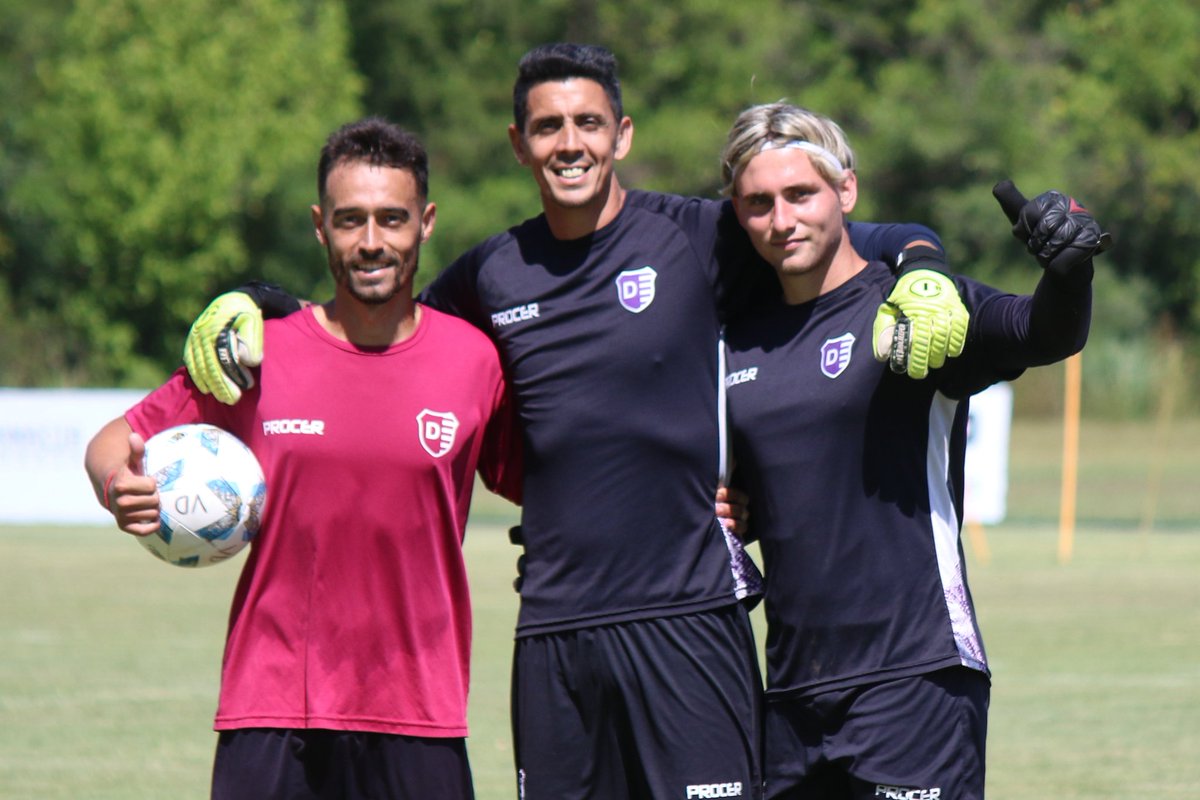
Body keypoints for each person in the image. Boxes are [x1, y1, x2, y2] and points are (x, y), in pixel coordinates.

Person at [180, 44, 971, 800]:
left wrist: (923, 261)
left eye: (588, 123)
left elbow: (832, 229)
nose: (570, 143)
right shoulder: (493, 273)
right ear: (519, 144)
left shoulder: (696, 236)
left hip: (689, 622)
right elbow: (380, 302)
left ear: (621, 135)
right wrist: (257, 296)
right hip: (556, 633)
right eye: (548, 127)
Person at [84, 118, 521, 800]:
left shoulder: (474, 361)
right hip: (272, 706)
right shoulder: (259, 355)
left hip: (419, 711)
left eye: (391, 219)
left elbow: (546, 475)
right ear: (321, 226)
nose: (371, 242)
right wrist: (119, 486)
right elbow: (112, 440)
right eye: (350, 221)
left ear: (426, 222)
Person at [719, 102, 1105, 799]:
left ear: (846, 191)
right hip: (789, 699)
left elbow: (1043, 333)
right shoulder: (734, 339)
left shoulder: (917, 304)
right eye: (758, 203)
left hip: (916, 681)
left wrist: (1070, 272)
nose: (781, 220)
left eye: (800, 194)